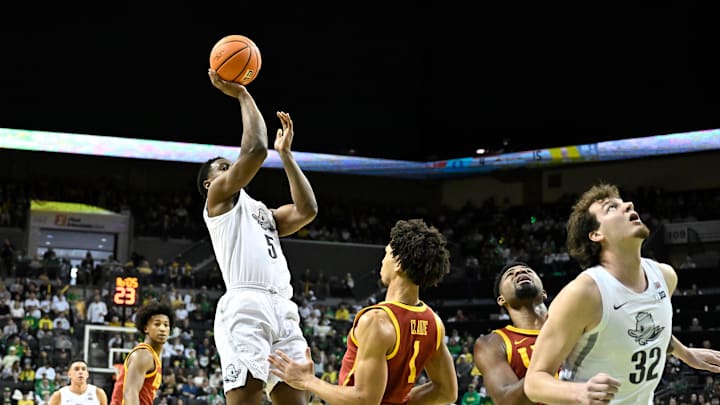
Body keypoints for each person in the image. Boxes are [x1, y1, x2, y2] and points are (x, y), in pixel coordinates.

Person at [524, 182, 720, 404]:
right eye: (610, 208)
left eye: (624, 202)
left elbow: (640, 331)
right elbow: (534, 383)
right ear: (596, 234)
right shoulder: (584, 294)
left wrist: (685, 353)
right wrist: (580, 393)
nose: (628, 205)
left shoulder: (665, 277)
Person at [196, 69, 318, 405]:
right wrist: (242, 94)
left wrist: (288, 157)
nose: (229, 167)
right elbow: (253, 150)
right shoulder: (219, 198)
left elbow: (307, 210)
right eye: (222, 166)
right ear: (210, 183)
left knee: (296, 399)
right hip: (246, 305)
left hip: (283, 306)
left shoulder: (263, 212)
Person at [268, 219, 458, 404]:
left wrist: (308, 381)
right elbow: (446, 392)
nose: (383, 261)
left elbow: (364, 400)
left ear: (399, 264)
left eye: (387, 254)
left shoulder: (377, 320)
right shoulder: (434, 322)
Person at [473, 262, 547, 405]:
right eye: (510, 274)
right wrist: (551, 362)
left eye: (527, 270)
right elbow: (505, 400)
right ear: (502, 299)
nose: (520, 272)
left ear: (544, 292)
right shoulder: (492, 343)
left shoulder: (571, 324)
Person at [110, 300, 174, 405]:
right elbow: (130, 392)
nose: (162, 329)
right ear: (146, 328)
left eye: (166, 325)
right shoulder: (143, 354)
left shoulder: (153, 356)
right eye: (157, 324)